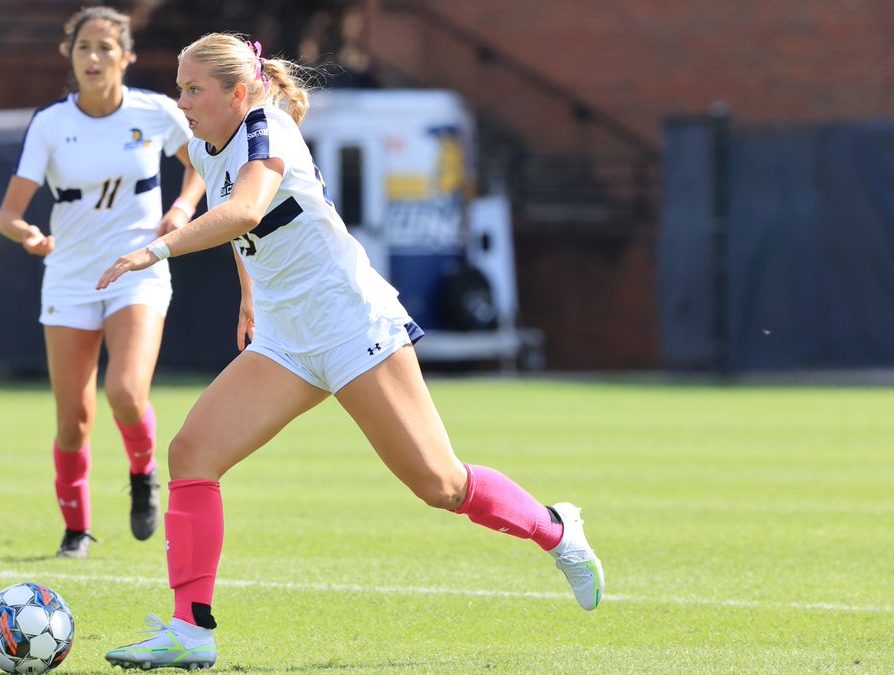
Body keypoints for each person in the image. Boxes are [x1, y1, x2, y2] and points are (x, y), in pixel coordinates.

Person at [97, 34, 606, 670]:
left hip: (350, 323)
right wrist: (249, 297)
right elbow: (246, 229)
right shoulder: (205, 144)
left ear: (236, 92)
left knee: (440, 484)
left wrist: (156, 249)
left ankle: (557, 529)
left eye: (194, 88)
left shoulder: (269, 130)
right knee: (193, 453)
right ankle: (189, 629)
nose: (183, 100)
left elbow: (246, 210)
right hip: (286, 335)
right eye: (179, 86)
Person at [0, 6, 205, 559]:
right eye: (84, 47)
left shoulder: (155, 112)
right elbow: (8, 213)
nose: (94, 57)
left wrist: (182, 208)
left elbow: (203, 164)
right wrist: (28, 235)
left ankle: (143, 474)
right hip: (68, 280)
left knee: (126, 392)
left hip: (137, 270)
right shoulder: (51, 123)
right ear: (70, 55)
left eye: (106, 48)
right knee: (74, 421)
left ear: (126, 56)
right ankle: (76, 530)